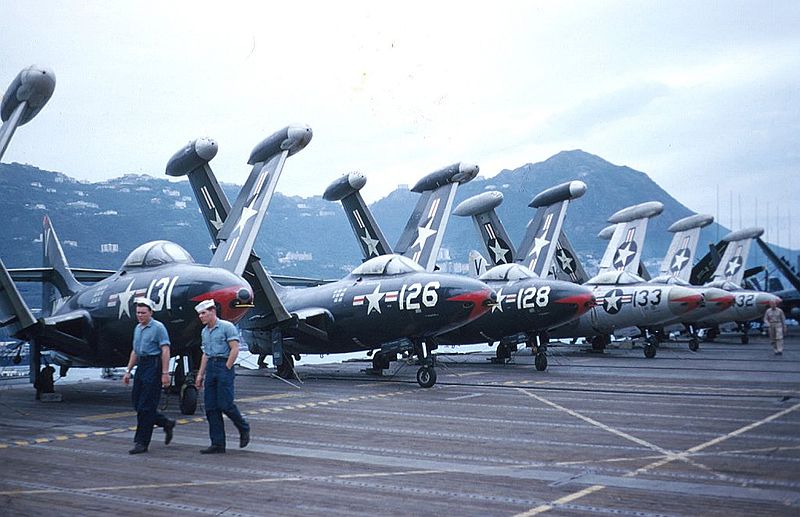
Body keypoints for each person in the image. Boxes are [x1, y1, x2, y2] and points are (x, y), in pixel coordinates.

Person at [195, 299, 250, 454]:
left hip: (224, 365)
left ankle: (243, 427)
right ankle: (218, 443)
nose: (201, 316)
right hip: (211, 366)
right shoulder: (205, 332)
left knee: (225, 404)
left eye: (203, 313)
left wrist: (227, 366)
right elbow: (205, 354)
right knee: (211, 407)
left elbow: (234, 348)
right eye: (199, 314)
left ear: (213, 312)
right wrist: (200, 375)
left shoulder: (227, 327)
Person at [123, 297, 176, 454]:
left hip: (153, 365)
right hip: (142, 364)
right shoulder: (138, 328)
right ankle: (165, 422)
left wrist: (165, 373)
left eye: (143, 313)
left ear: (151, 312)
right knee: (137, 403)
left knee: (146, 406)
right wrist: (128, 370)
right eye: (138, 312)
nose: (140, 315)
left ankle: (141, 442)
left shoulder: (158, 328)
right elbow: (135, 351)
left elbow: (165, 350)